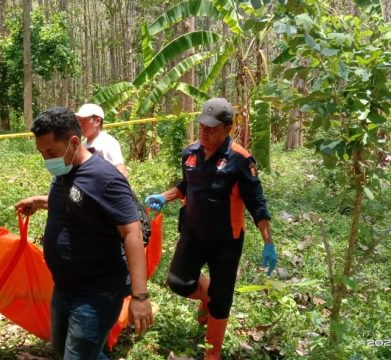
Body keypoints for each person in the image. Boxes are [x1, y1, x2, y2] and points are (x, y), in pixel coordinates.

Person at [15, 107, 153, 359]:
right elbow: (79, 200)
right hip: (64, 287)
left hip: (97, 292)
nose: (47, 160)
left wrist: (140, 296)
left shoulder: (106, 178)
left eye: (51, 152)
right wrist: (41, 201)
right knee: (64, 351)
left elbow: (131, 233)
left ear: (74, 141)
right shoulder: (65, 170)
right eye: (42, 153)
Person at [144, 98, 277, 360]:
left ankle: (212, 353)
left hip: (226, 240)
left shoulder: (240, 159)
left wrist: (268, 242)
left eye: (212, 128)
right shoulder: (190, 153)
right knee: (178, 282)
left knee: (221, 298)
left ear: (228, 128)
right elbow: (186, 185)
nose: (204, 132)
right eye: (202, 126)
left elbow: (257, 204)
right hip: (193, 232)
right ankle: (208, 296)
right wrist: (165, 196)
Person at [75, 103, 129, 178]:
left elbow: (121, 172)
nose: (80, 124)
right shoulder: (84, 144)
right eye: (79, 120)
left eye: (84, 120)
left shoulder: (107, 142)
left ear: (97, 121)